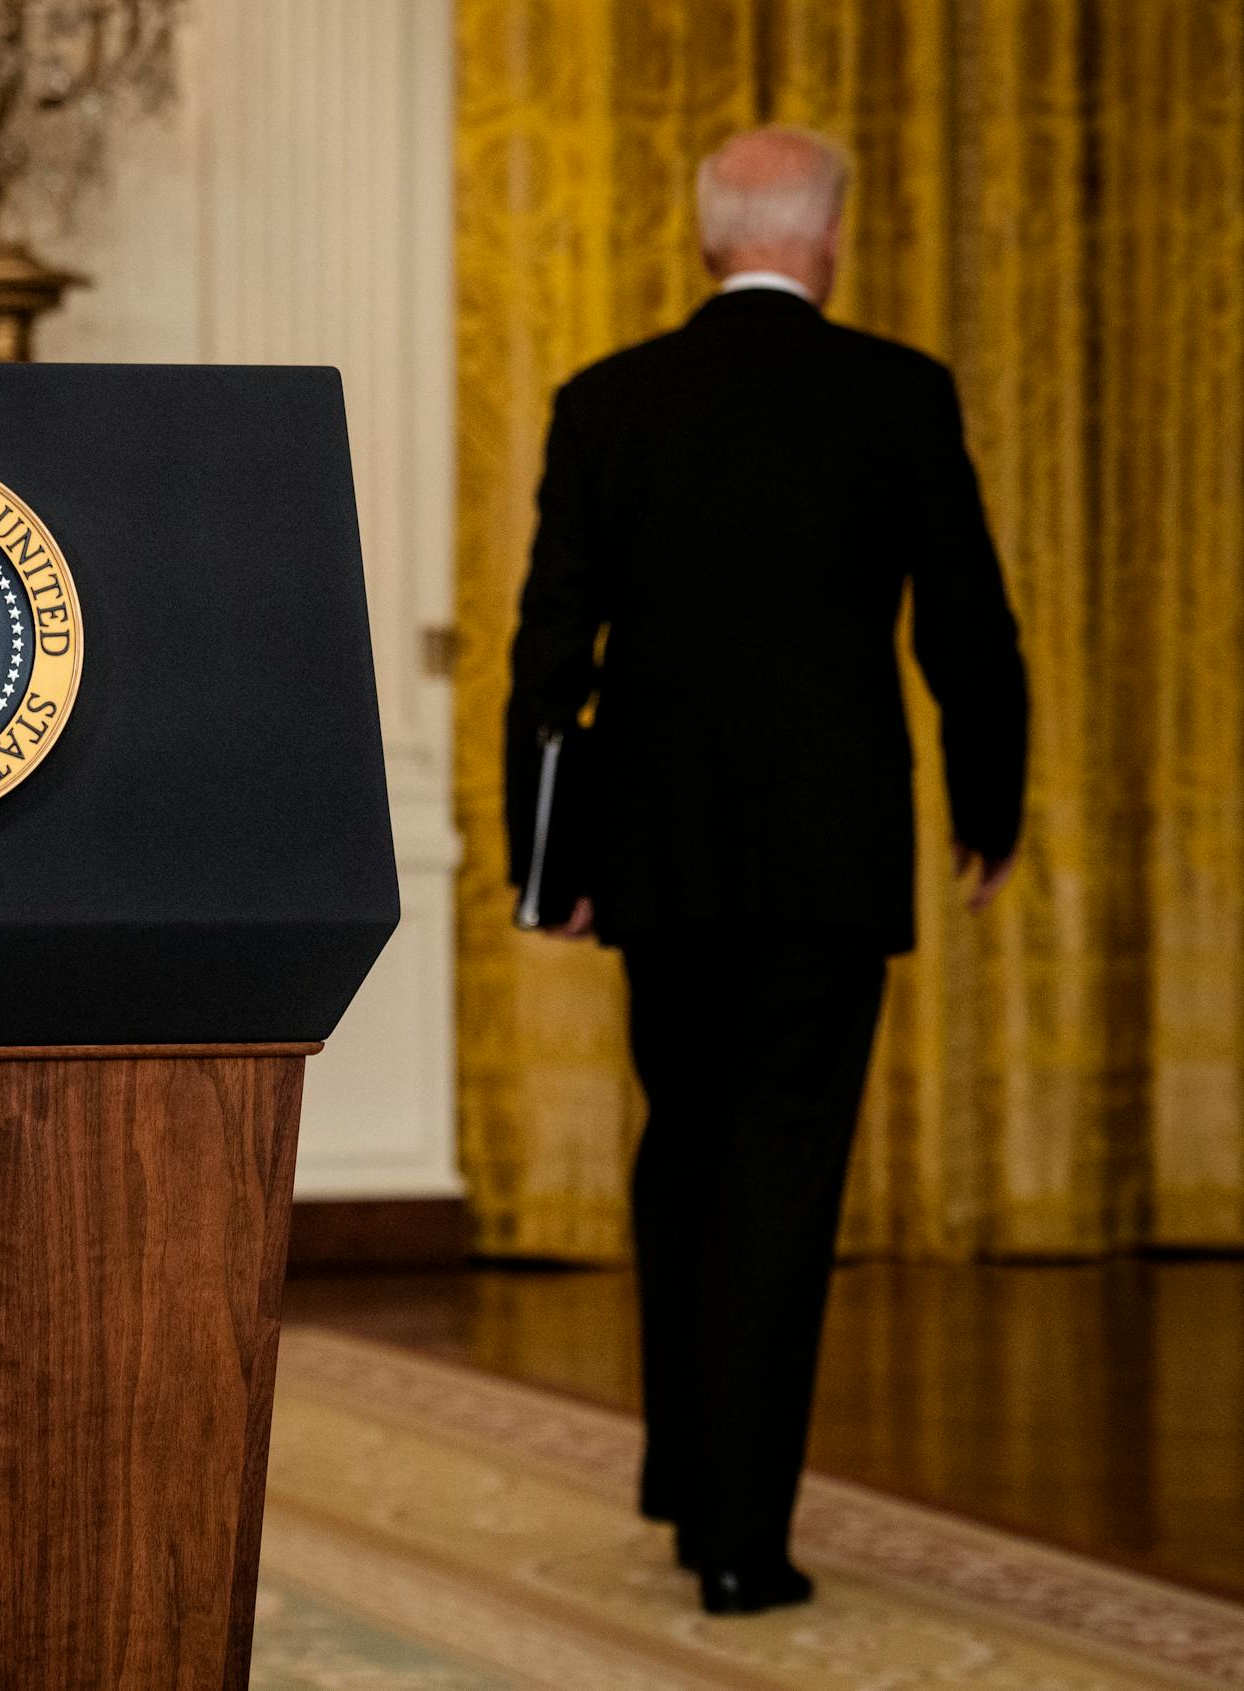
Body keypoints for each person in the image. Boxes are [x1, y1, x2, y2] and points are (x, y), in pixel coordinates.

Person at [503, 125, 1028, 1615]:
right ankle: (740, 1537)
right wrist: (991, 805)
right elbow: (970, 634)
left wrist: (555, 861)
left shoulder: (607, 402)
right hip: (827, 857)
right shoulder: (898, 394)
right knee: (783, 1173)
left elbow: (553, 652)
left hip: (655, 854)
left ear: (704, 240)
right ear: (831, 237)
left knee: (684, 1148)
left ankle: (689, 1478)